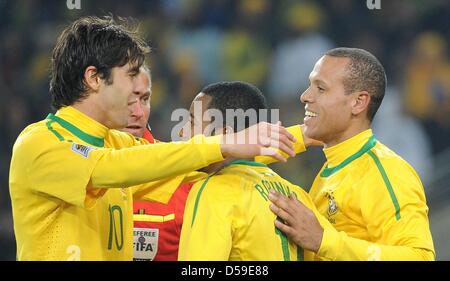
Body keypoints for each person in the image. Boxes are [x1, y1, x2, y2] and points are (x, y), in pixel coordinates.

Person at [8, 16, 296, 261]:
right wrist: (222, 143)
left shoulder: (118, 146)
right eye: (130, 75)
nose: (138, 89)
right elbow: (108, 168)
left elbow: (180, 160)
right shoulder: (40, 143)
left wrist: (304, 135)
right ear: (94, 78)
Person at [268, 47, 435, 260]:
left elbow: (420, 257)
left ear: (358, 102)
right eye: (310, 85)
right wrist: (303, 135)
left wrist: (323, 241)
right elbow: (227, 159)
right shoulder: (332, 169)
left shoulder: (385, 171)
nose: (305, 96)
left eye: (321, 88)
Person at [177, 81, 330, 261]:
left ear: (223, 134)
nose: (181, 132)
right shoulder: (298, 195)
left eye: (192, 122)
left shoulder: (214, 191)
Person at [118, 67, 194, 261]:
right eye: (127, 100)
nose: (137, 112)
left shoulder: (184, 171)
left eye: (144, 100)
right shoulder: (75, 166)